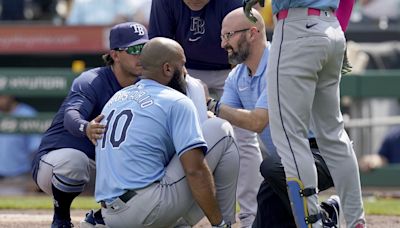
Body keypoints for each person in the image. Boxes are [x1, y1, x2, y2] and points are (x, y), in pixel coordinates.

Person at [207, 8, 337, 228]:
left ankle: (320, 220)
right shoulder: (236, 76)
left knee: (270, 168)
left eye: (228, 36)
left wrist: (210, 105)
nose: (223, 44)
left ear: (252, 33)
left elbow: (257, 121)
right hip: (286, 163)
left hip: (321, 154)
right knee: (266, 214)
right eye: (222, 37)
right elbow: (225, 116)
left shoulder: (281, 65)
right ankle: (327, 212)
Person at [94, 37, 239, 228]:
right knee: (222, 130)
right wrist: (217, 222)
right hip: (146, 210)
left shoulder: (116, 98)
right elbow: (195, 171)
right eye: (183, 65)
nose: (185, 72)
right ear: (168, 69)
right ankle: (225, 224)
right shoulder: (176, 100)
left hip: (109, 215)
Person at [149, 2, 264, 227]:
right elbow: (159, 51)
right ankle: (179, 215)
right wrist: (184, 83)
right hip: (183, 69)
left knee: (243, 137)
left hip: (228, 68)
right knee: (186, 136)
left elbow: (239, 53)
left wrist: (231, 96)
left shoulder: (229, 2)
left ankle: (251, 216)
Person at [256, 0, 367, 227]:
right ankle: (356, 220)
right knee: (333, 135)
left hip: (296, 27)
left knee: (290, 137)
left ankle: (313, 222)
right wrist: (339, 28)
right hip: (331, 27)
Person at [31, 22, 149, 227]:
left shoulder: (147, 85)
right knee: (74, 161)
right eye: (134, 49)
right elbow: (71, 114)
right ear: (115, 54)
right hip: (55, 165)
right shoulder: (92, 80)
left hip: (103, 169)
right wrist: (85, 127)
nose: (141, 55)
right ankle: (61, 218)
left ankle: (102, 218)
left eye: (145, 49)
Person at [0, 95, 41, 191]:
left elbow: (35, 150)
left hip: (18, 178)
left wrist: (33, 177)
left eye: (2, 96)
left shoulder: (27, 113)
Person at [66, 0, 137, 25]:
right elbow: (71, 25)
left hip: (117, 46)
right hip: (86, 48)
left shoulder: (121, 1)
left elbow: (132, 16)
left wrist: (125, 19)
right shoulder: (81, 2)